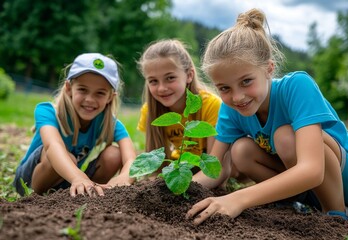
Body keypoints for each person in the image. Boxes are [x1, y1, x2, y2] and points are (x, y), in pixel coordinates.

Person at [186, 8, 348, 225]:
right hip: (308, 187)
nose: (237, 97)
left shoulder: (297, 86)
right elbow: (216, 169)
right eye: (224, 88)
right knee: (241, 150)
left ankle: (337, 215)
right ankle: (292, 204)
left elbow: (313, 170)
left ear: (269, 69)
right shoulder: (230, 110)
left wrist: (238, 199)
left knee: (285, 136)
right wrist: (180, 187)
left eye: (246, 81)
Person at [13, 53, 137, 197]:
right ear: (68, 88)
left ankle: (89, 193)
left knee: (114, 154)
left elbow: (131, 158)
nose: (90, 99)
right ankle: (37, 198)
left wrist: (124, 178)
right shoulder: (47, 111)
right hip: (29, 181)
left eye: (100, 93)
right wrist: (79, 177)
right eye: (83, 89)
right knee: (66, 156)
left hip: (70, 180)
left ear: (110, 97)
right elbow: (53, 146)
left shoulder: (108, 123)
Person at [137, 39, 222, 171]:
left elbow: (214, 164)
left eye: (170, 78)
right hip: (181, 165)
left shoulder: (211, 105)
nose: (161, 88)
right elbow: (154, 164)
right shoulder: (149, 111)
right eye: (153, 81)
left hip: (207, 168)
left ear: (189, 75)